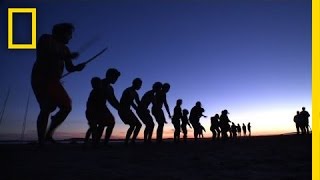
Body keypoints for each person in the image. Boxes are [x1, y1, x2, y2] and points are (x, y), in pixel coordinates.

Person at [31, 23, 85, 145]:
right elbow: (45, 53)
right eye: (69, 34)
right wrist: (67, 55)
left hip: (55, 81)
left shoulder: (66, 49)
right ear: (61, 33)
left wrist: (77, 68)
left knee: (66, 106)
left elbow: (70, 68)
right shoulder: (46, 39)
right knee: (46, 107)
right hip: (41, 78)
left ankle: (48, 135)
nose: (70, 38)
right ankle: (41, 141)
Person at [96, 68, 121, 145]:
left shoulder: (110, 88)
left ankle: (103, 142)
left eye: (117, 78)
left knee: (110, 122)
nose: (116, 79)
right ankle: (96, 142)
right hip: (95, 106)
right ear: (109, 76)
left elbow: (112, 100)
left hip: (102, 107)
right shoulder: (100, 83)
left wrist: (120, 108)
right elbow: (111, 100)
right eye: (115, 77)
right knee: (102, 124)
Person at [118, 78, 143, 145]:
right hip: (123, 110)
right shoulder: (128, 91)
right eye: (140, 85)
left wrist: (144, 109)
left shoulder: (135, 93)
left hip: (128, 111)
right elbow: (131, 103)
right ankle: (126, 141)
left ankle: (132, 140)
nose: (140, 86)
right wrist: (138, 110)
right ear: (135, 84)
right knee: (132, 125)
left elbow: (138, 102)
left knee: (139, 125)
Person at [84, 77, 104, 147]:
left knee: (93, 128)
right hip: (91, 113)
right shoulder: (94, 92)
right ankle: (87, 142)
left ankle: (93, 142)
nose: (100, 85)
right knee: (93, 128)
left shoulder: (97, 91)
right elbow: (90, 104)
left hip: (93, 112)